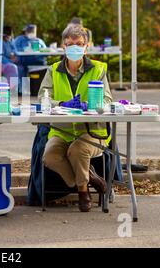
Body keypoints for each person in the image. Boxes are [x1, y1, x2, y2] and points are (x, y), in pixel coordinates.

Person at [38, 24, 112, 212]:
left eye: (79, 44)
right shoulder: (53, 70)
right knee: (50, 156)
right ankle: (89, 178)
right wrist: (62, 104)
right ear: (63, 46)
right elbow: (42, 98)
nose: (74, 48)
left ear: (87, 46)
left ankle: (82, 192)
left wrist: (94, 106)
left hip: (93, 131)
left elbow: (108, 99)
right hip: (61, 131)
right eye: (70, 44)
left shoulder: (98, 69)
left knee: (77, 150)